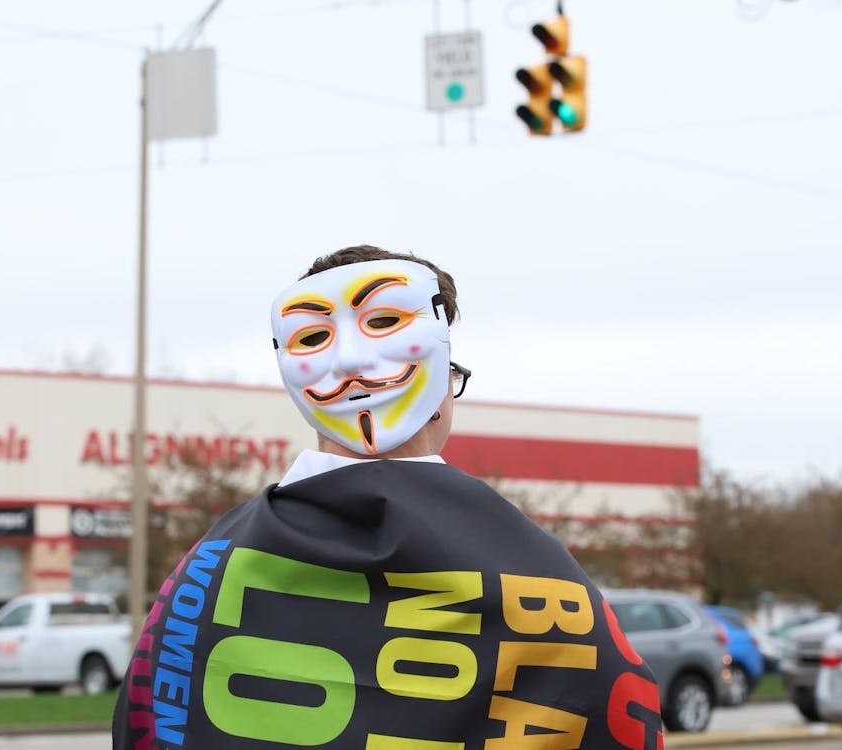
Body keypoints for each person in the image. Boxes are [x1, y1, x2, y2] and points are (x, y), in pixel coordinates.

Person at [112, 244, 663, 750]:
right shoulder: (539, 579)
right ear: (442, 381)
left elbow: (146, 722)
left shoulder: (206, 572)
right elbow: (618, 717)